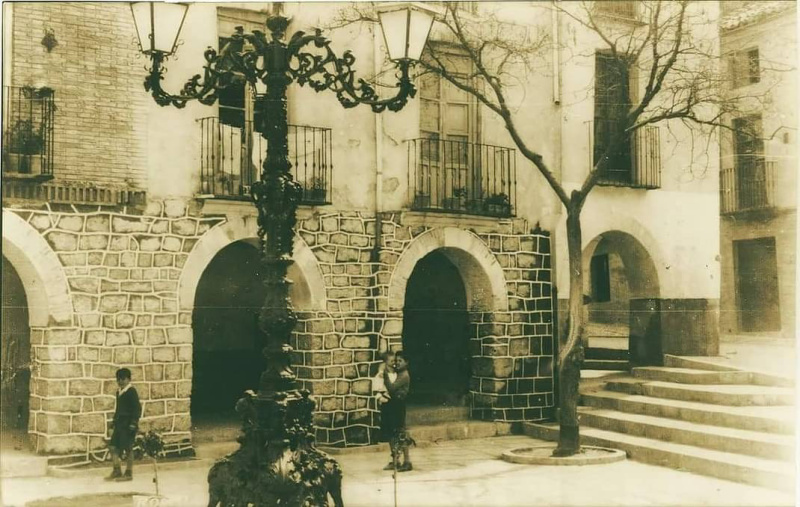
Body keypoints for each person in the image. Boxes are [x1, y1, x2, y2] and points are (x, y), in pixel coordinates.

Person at [105, 367, 141, 482]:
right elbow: (118, 409)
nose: (120, 381)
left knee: (128, 448)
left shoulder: (131, 391)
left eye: (123, 379)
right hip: (120, 424)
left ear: (129, 379)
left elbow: (137, 409)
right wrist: (113, 422)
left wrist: (133, 423)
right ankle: (117, 470)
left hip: (128, 424)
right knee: (112, 446)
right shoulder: (118, 392)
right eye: (118, 379)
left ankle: (129, 472)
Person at [384, 351, 412, 472]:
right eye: (396, 361)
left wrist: (384, 376)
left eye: (400, 361)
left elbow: (391, 387)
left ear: (406, 363)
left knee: (400, 432)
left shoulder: (404, 375)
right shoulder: (397, 373)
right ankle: (395, 460)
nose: (397, 363)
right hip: (392, 405)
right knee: (392, 432)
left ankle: (407, 461)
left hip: (398, 405)